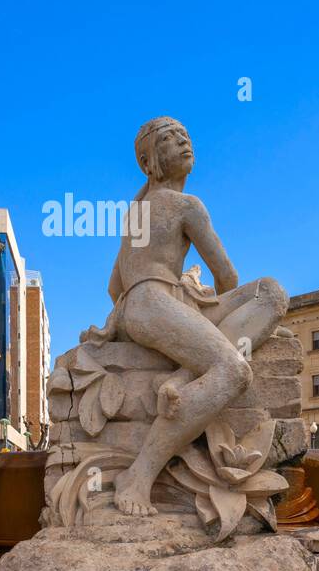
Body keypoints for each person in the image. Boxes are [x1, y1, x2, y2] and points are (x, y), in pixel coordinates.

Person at [104, 117, 289, 517]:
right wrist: (210, 311)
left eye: (185, 136)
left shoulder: (134, 214)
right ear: (148, 160)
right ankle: (138, 475)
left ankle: (185, 378)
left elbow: (113, 287)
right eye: (170, 139)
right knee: (235, 370)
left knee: (270, 291)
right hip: (154, 303)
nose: (184, 142)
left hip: (147, 305)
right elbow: (226, 275)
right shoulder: (188, 205)